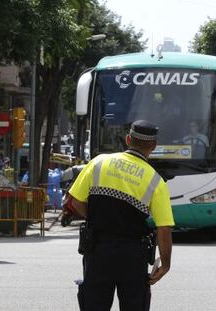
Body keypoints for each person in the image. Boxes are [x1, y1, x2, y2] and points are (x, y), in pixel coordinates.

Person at [68, 120, 174, 311]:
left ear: (128, 140)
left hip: (98, 250)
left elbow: (75, 201)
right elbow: (164, 228)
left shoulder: (99, 163)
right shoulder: (155, 181)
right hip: (133, 256)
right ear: (153, 146)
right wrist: (165, 264)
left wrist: (96, 219)